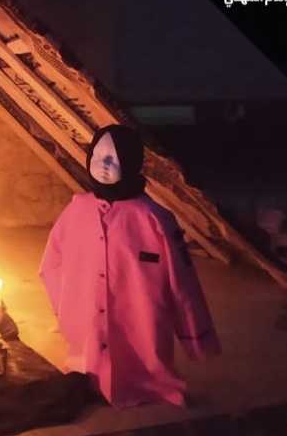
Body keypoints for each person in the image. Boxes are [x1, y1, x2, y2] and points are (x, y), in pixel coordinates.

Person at [39, 124, 220, 407]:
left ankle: (143, 379)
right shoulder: (76, 211)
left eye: (114, 158)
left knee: (141, 352)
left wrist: (195, 336)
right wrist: (68, 310)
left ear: (131, 162)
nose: (104, 164)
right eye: (98, 156)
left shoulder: (154, 219)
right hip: (86, 343)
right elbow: (51, 263)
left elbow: (182, 282)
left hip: (142, 334)